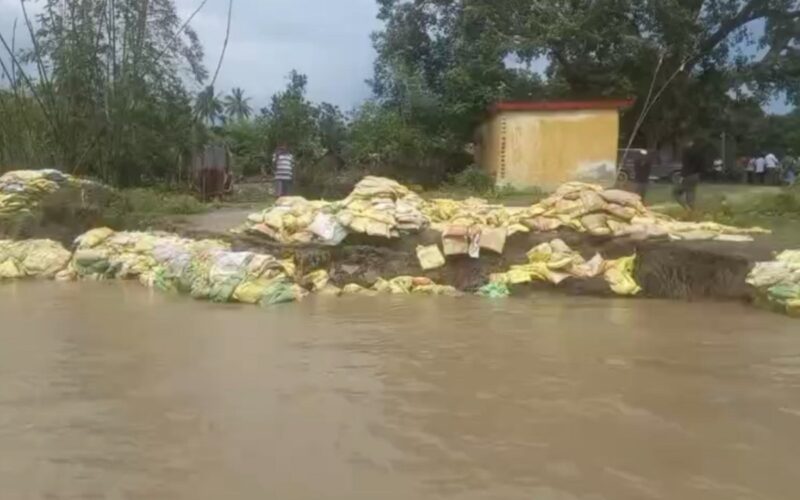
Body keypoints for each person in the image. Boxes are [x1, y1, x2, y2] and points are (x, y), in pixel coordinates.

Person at [673, 139, 704, 210]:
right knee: (691, 191)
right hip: (696, 175)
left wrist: (682, 177)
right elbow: (702, 165)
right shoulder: (699, 152)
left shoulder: (686, 152)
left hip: (687, 175)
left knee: (676, 192)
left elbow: (686, 165)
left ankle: (686, 207)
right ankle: (691, 207)